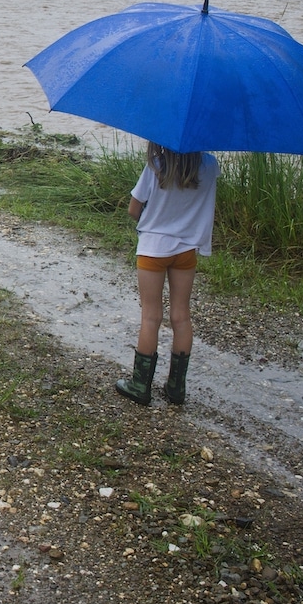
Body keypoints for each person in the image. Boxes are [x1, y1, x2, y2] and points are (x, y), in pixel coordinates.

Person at [114, 142, 219, 406]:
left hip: (152, 250)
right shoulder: (209, 166)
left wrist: (155, 223)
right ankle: (175, 388)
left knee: (151, 316)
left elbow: (133, 209)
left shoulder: (156, 166)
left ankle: (140, 385)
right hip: (186, 250)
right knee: (181, 317)